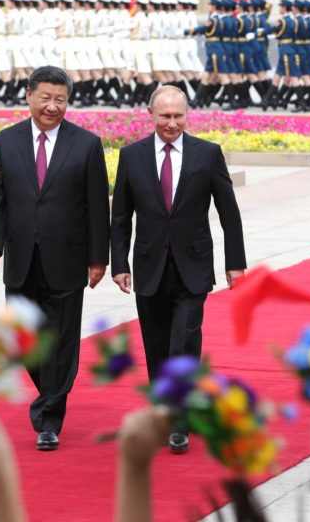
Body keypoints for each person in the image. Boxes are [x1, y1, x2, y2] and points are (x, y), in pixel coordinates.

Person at [0, 65, 111, 452]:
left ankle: (48, 418)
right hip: (21, 259)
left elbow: (96, 209)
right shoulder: (7, 141)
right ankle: (51, 391)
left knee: (61, 342)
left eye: (60, 100)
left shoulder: (86, 144)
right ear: (29, 95)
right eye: (46, 98)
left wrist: (97, 259)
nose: (52, 106)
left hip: (67, 261)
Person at [110, 85, 247, 454]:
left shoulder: (207, 154)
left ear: (188, 115)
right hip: (149, 266)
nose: (172, 123)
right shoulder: (132, 156)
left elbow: (229, 212)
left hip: (193, 266)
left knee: (184, 340)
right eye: (164, 116)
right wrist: (119, 263)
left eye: (178, 116)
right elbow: (121, 216)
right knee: (155, 344)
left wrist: (235, 262)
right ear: (150, 114)